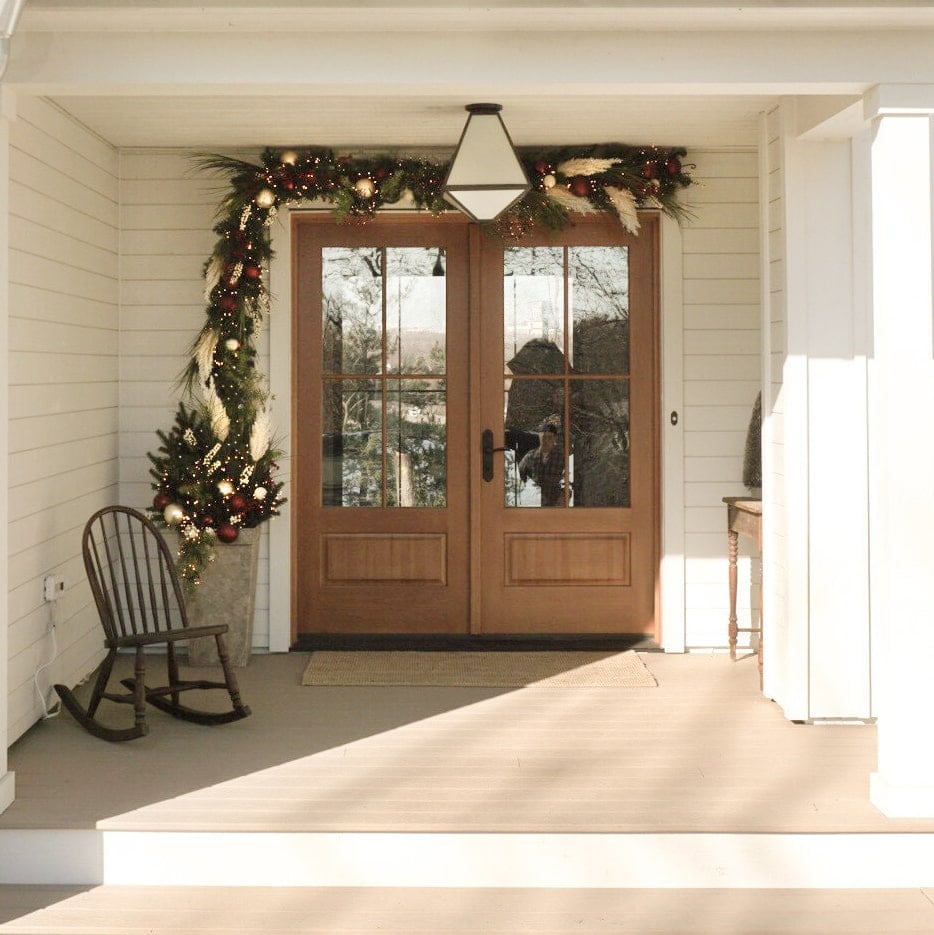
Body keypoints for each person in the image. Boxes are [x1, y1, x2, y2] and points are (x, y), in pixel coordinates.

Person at [517, 419, 564, 506]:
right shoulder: (530, 456)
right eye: (543, 437)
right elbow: (518, 475)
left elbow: (569, 481)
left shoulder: (562, 457)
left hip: (555, 502)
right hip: (533, 501)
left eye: (549, 437)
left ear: (555, 438)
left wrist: (563, 497)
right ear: (539, 437)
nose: (546, 441)